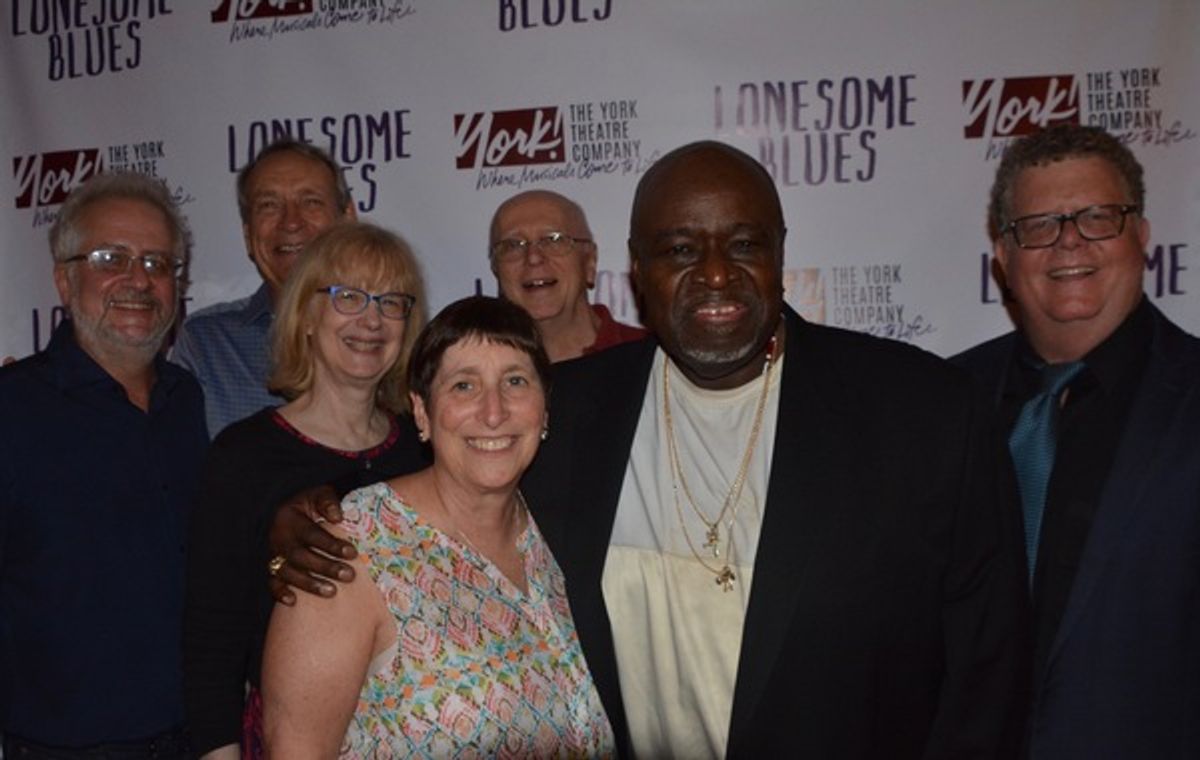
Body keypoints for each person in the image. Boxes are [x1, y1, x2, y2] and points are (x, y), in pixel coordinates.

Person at [269, 142, 1028, 758]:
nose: (717, 274)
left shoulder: (922, 411)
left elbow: (987, 679)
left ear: (781, 251)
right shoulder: (577, 405)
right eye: (679, 249)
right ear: (638, 267)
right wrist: (319, 508)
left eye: (744, 244)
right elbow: (454, 462)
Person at [261, 296, 615, 757]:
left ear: (545, 410)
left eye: (515, 380)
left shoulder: (568, 525)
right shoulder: (351, 549)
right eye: (464, 386)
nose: (494, 411)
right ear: (423, 413)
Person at [952, 123, 1200, 759]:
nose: (1068, 242)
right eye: (1039, 224)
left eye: (1097, 217)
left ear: (1141, 236)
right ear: (1002, 257)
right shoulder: (941, 401)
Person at [183, 222, 427, 759]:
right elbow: (211, 638)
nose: (372, 318)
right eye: (347, 296)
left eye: (391, 301)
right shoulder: (242, 456)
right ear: (307, 316)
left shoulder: (426, 448)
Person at [0, 173, 206, 757]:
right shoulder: (11, 410)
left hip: (200, 740)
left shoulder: (186, 400)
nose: (138, 280)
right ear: (64, 278)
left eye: (158, 263)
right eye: (110, 258)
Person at [172, 137, 356, 437]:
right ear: (248, 235)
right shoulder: (207, 345)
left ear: (348, 219)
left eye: (311, 202)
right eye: (269, 205)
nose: (291, 222)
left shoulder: (387, 337)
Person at [490, 189, 644, 361]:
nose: (533, 257)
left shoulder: (655, 359)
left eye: (553, 240)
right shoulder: (478, 371)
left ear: (589, 262)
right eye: (512, 245)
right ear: (496, 270)